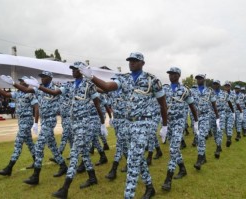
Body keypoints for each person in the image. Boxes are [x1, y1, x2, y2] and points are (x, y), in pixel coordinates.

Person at [80, 52, 168, 199]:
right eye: (130, 60)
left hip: (144, 123)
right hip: (128, 124)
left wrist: (165, 125)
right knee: (138, 158)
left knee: (133, 161)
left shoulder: (153, 80)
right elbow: (108, 87)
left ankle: (129, 195)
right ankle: (150, 187)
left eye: (135, 60)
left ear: (142, 63)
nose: (131, 63)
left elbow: (163, 105)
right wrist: (91, 77)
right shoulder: (124, 79)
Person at [24, 62, 105, 199]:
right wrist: (38, 86)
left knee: (74, 155)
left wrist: (102, 123)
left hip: (85, 123)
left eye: (75, 69)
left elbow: (97, 104)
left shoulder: (89, 85)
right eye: (72, 69)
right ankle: (92, 178)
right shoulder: (70, 85)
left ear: (81, 70)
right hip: (74, 123)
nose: (72, 71)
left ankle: (65, 188)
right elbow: (55, 92)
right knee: (84, 153)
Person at [0, 72, 68, 185]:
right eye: (41, 77)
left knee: (39, 147)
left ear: (50, 78)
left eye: (44, 77)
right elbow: (26, 90)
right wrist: (13, 83)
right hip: (44, 120)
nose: (42, 79)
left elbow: (53, 93)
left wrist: (38, 86)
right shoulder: (39, 89)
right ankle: (63, 165)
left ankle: (35, 176)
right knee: (52, 146)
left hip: (50, 120)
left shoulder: (56, 88)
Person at [0, 77, 39, 176]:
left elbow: (36, 107)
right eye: (20, 81)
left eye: (22, 81)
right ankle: (36, 161)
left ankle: (9, 168)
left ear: (26, 83)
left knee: (18, 143)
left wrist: (36, 122)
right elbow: (6, 94)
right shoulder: (18, 93)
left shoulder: (30, 94)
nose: (20, 82)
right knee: (29, 142)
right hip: (21, 121)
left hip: (27, 120)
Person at [161, 67, 198, 191]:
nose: (171, 76)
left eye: (173, 74)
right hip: (168, 123)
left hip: (179, 122)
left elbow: (192, 106)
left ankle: (168, 179)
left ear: (178, 75)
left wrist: (196, 122)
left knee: (172, 149)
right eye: (169, 74)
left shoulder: (185, 90)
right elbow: (160, 104)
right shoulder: (164, 89)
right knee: (175, 148)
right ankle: (182, 169)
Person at [191, 74, 219, 170]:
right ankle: (204, 157)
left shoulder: (209, 91)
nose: (198, 80)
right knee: (198, 136)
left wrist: (217, 117)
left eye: (200, 78)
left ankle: (199, 160)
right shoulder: (192, 91)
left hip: (206, 116)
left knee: (201, 136)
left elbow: (214, 104)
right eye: (197, 79)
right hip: (196, 117)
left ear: (204, 79)